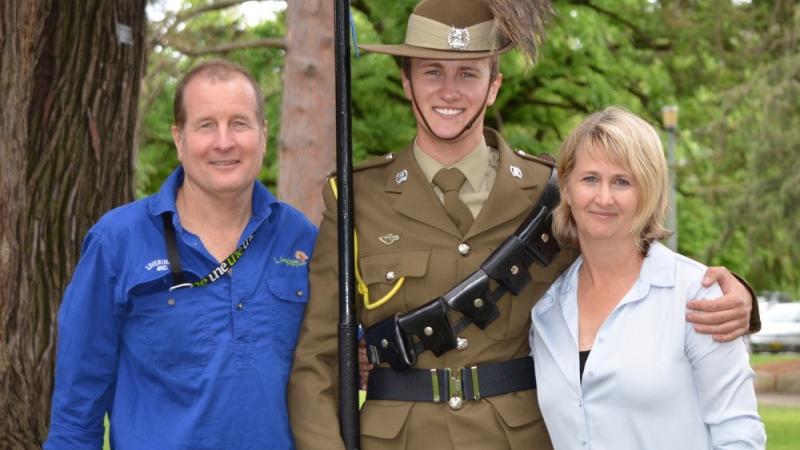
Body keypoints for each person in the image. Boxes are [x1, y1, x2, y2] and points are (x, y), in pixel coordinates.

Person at [288, 1, 758, 449]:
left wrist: (737, 298)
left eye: (468, 73)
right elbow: (318, 362)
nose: (449, 91)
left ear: (494, 85)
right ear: (407, 82)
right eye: (432, 72)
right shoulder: (357, 197)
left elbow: (625, 262)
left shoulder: (549, 191)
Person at [45, 59, 316, 449]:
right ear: (179, 137)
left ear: (264, 133)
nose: (224, 141)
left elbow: (336, 360)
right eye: (206, 125)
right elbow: (76, 411)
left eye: (239, 123)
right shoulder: (117, 243)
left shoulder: (300, 239)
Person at [530, 107, 766, 449]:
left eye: (622, 181)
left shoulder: (696, 297)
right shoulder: (546, 311)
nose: (604, 197)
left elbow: (739, 434)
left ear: (649, 191)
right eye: (590, 178)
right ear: (566, 187)